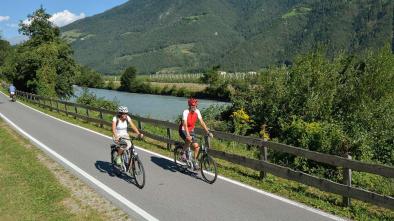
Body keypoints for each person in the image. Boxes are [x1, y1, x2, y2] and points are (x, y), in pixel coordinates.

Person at [178, 98, 213, 169]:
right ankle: (182, 152)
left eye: (195, 106)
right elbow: (184, 124)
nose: (194, 107)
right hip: (183, 130)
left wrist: (208, 132)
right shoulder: (185, 112)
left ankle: (195, 161)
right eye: (193, 106)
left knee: (197, 146)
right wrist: (187, 134)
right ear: (189, 106)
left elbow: (202, 122)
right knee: (189, 140)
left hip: (191, 130)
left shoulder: (197, 111)